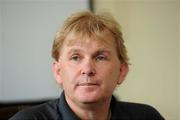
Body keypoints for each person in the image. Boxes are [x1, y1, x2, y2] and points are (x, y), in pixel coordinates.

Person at [10, 11, 164, 120]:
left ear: (121, 71)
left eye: (101, 57)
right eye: (75, 57)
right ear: (58, 72)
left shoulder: (147, 116)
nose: (88, 69)